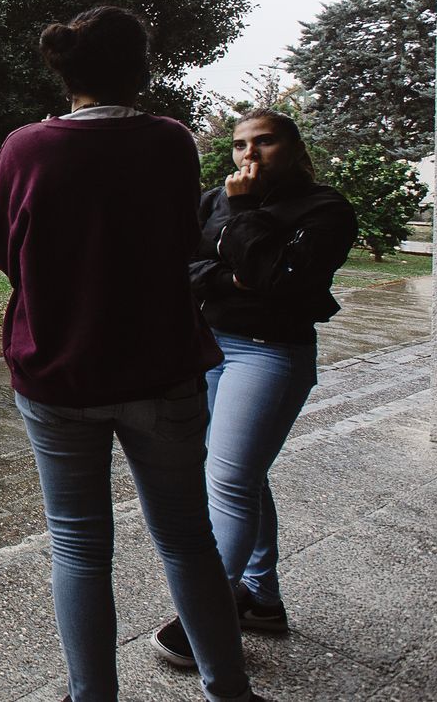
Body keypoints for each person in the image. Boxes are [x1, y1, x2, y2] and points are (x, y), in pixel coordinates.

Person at [0, 5, 263, 702]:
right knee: (188, 539)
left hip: (56, 374)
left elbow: (3, 251)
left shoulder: (24, 148)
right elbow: (179, 234)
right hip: (161, 371)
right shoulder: (171, 142)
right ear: (141, 71)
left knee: (79, 545)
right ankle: (228, 687)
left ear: (66, 70)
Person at [151, 109, 356, 667]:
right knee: (238, 472)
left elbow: (284, 277)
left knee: (230, 479)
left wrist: (244, 216)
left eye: (264, 142)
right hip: (210, 345)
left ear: (293, 148)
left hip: (269, 352)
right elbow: (179, 265)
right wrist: (228, 275)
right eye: (241, 144)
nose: (249, 154)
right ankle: (260, 598)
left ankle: (204, 614)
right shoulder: (215, 199)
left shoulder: (324, 209)